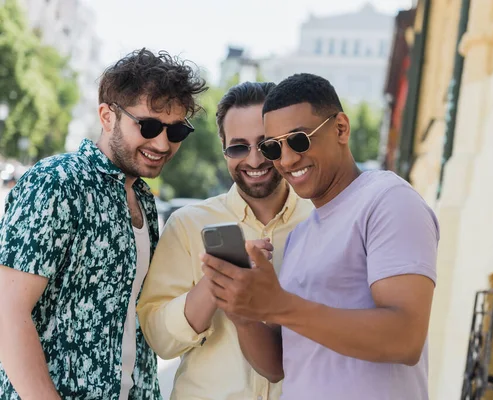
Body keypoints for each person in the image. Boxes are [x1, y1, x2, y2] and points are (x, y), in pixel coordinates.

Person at [202, 73, 440, 400]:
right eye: (274, 147)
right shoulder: (302, 235)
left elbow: (405, 339)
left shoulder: (388, 200)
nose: (286, 159)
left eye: (299, 140)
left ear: (340, 128)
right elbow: (279, 366)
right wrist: (243, 314)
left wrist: (280, 305)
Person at [0, 48, 207, 399]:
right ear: (107, 116)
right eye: (149, 125)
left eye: (176, 131)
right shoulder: (58, 182)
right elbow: (7, 312)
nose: (162, 143)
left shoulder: (142, 197)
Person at [137, 82, 313, 400]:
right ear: (223, 150)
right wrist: (217, 281)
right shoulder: (188, 224)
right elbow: (160, 341)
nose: (255, 159)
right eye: (238, 147)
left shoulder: (323, 222)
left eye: (266, 143)